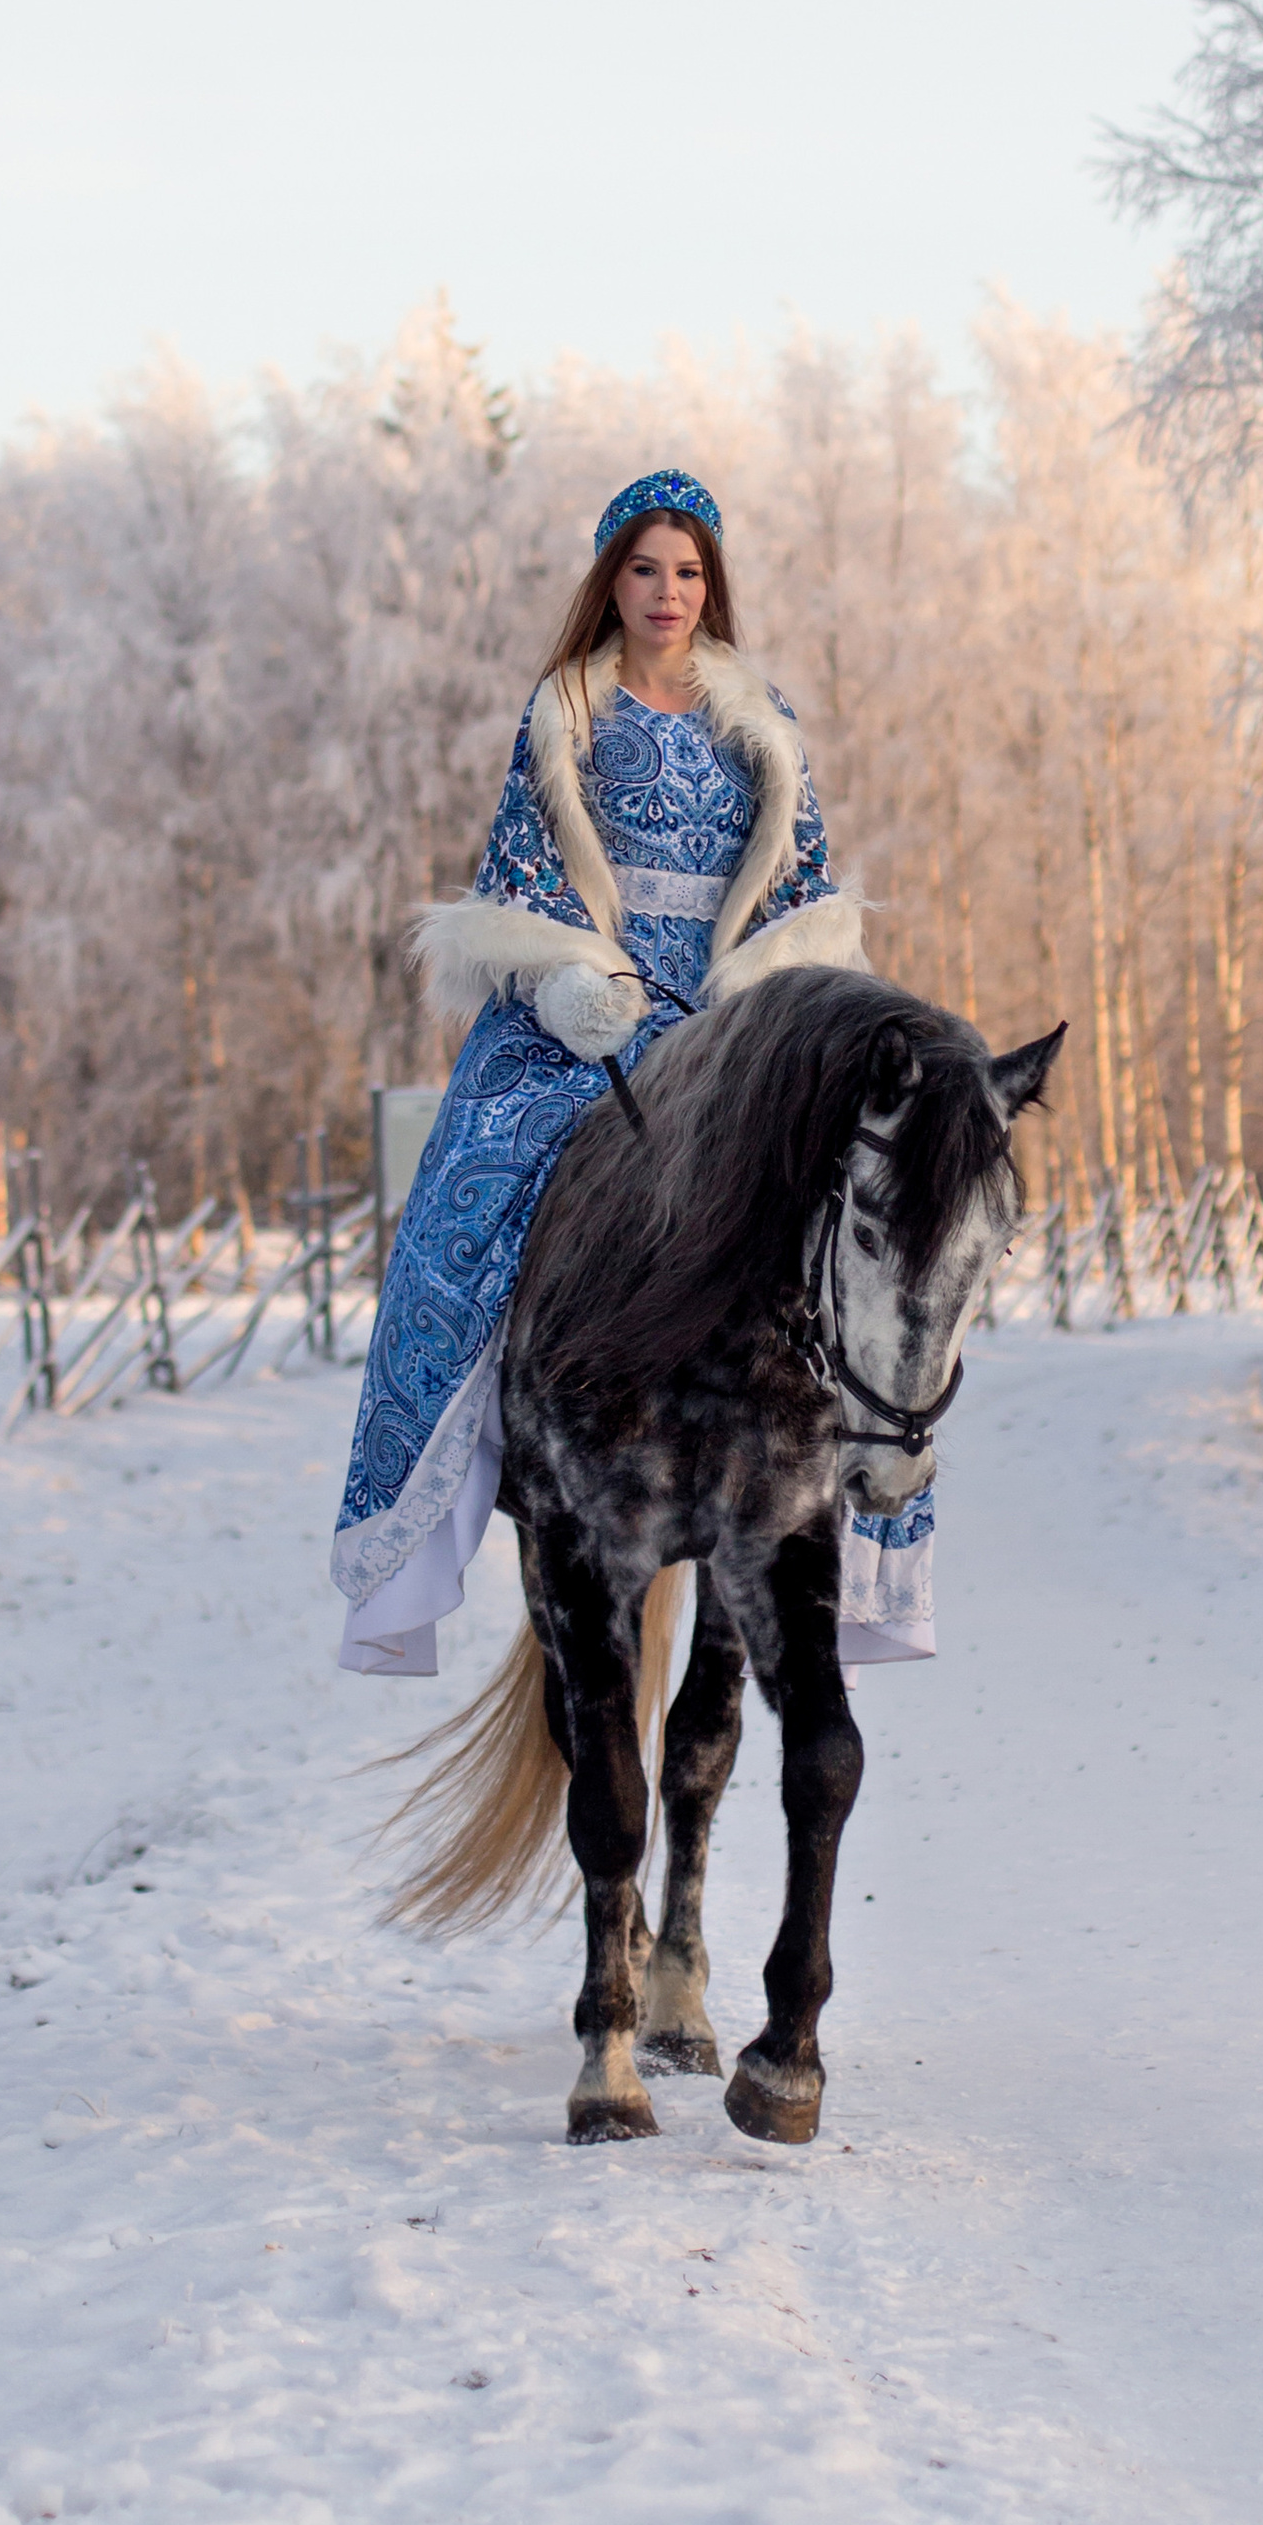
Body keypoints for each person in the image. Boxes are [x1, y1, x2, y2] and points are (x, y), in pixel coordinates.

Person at [329, 466, 938, 1679]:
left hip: (731, 1019)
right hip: (591, 1010)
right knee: (466, 1203)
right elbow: (524, 873)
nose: (667, 591)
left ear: (713, 584)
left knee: (882, 1225)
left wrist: (773, 990)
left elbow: (803, 885)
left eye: (689, 570)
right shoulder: (562, 710)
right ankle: (449, 1469)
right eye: (646, 568)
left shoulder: (763, 719)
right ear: (610, 579)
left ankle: (876, 1485)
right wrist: (564, 979)